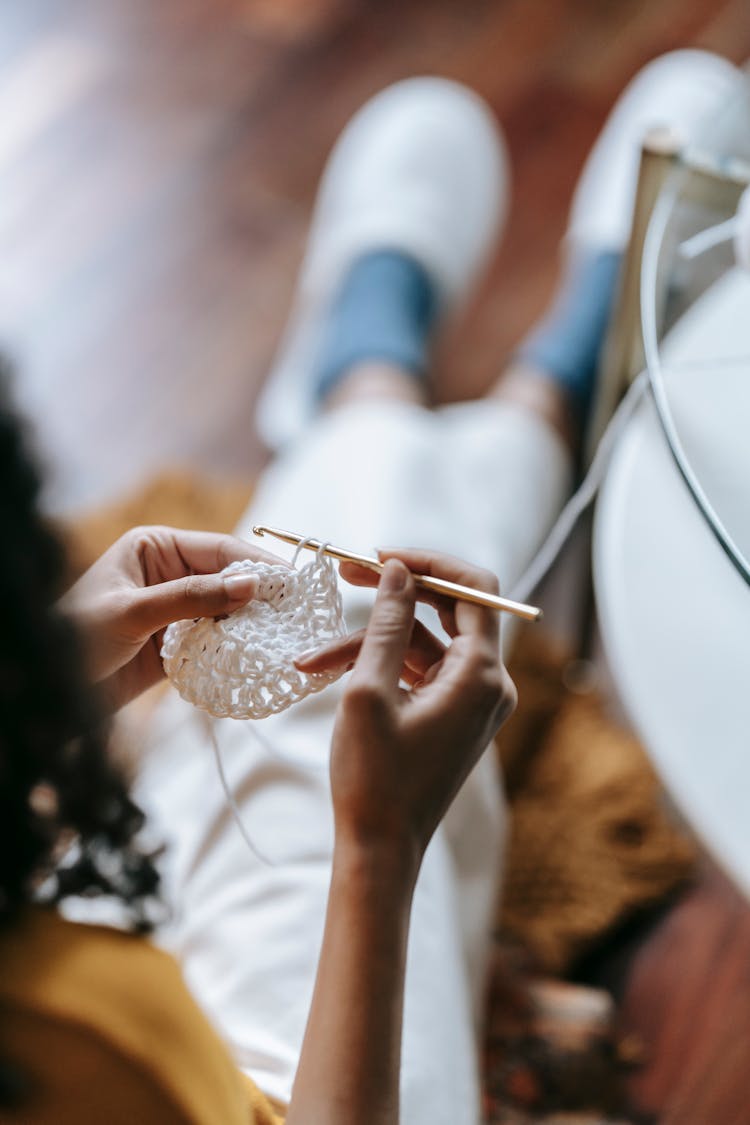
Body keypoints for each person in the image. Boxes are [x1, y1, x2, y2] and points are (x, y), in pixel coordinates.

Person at [0, 49, 742, 1125]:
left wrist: (40, 711)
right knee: (334, 656)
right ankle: (458, 386)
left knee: (307, 652)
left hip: (137, 974)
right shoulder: (74, 1055)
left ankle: (429, 386)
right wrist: (381, 851)